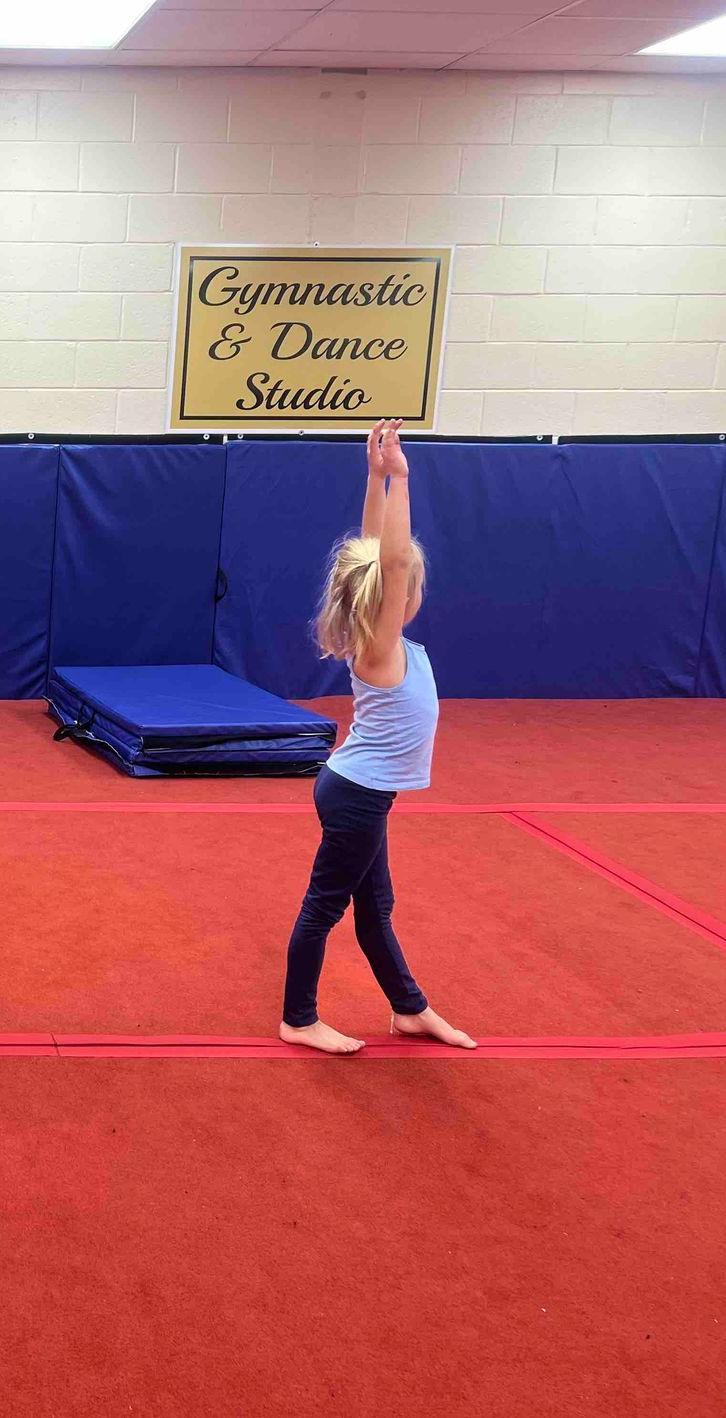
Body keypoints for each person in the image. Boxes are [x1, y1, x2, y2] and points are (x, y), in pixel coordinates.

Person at [280, 420, 474, 1056]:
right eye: (408, 583)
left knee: (376, 908)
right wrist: (402, 477)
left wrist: (373, 479)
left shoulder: (387, 642)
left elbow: (371, 552)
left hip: (364, 790)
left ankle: (410, 1009)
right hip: (357, 794)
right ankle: (298, 1018)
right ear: (394, 596)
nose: (413, 588)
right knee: (325, 909)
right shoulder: (380, 649)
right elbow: (388, 559)